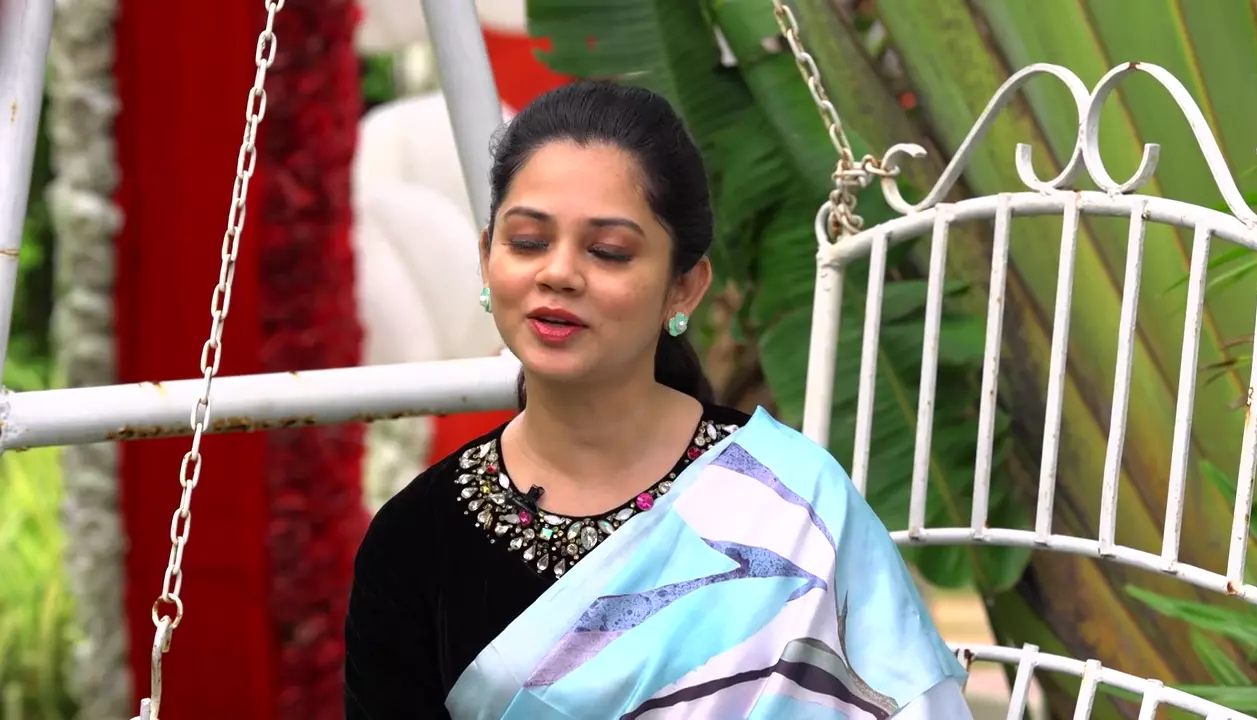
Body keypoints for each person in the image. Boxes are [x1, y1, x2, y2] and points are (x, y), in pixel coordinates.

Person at [344, 81, 971, 719]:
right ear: (486, 259)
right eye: (528, 241)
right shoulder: (414, 539)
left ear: (685, 288)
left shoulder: (791, 502)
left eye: (608, 251)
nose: (558, 273)